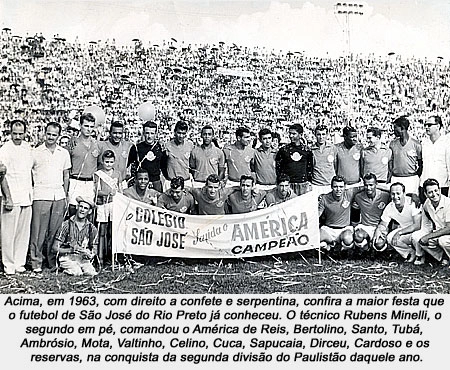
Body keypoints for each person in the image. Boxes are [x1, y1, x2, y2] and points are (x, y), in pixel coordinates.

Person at [30, 122, 71, 273]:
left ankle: (52, 261)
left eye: (54, 135)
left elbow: (66, 175)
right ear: (44, 133)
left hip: (58, 195)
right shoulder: (36, 152)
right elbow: (29, 174)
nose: (51, 137)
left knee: (55, 232)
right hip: (41, 194)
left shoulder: (63, 153)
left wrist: (65, 195)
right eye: (49, 134)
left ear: (59, 136)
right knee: (39, 231)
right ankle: (36, 261)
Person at [0, 120, 33, 275]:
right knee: (8, 232)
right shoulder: (5, 149)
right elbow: (2, 176)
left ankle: (20, 262)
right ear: (10, 132)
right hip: (11, 196)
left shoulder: (28, 148)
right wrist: (8, 197)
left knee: (23, 232)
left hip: (26, 196)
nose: (18, 136)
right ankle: (8, 263)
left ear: (25, 133)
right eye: (15, 133)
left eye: (21, 133)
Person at [372, 182, 422, 263]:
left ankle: (420, 255)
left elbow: (417, 225)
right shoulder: (390, 206)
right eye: (393, 194)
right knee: (390, 238)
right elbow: (383, 223)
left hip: (419, 230)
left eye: (398, 193)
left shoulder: (412, 203)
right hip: (405, 230)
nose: (395, 197)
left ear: (404, 193)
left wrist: (399, 233)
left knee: (416, 237)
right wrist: (378, 229)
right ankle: (410, 252)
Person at [52, 196, 98, 276]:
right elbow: (55, 248)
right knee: (77, 272)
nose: (82, 210)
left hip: (82, 259)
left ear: (89, 211)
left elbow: (94, 249)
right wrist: (70, 250)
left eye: (85, 208)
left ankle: (77, 268)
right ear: (77, 207)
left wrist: (90, 254)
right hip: (67, 257)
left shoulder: (92, 228)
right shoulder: (66, 225)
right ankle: (64, 269)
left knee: (91, 272)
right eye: (81, 206)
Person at [67, 112, 100, 215]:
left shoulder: (97, 144)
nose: (88, 129)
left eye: (91, 126)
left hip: (89, 183)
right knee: (73, 211)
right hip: (75, 181)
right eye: (86, 126)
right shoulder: (72, 143)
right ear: (80, 126)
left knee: (88, 214)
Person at [412, 178, 450, 266]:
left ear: (440, 190)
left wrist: (428, 236)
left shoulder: (448, 203)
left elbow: (448, 229)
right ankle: (442, 257)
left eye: (436, 190)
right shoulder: (427, 203)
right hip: (439, 233)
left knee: (443, 240)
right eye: (430, 192)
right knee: (418, 237)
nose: (434, 194)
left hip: (447, 234)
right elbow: (426, 220)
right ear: (425, 194)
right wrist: (425, 235)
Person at [94, 150, 123, 264]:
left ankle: (112, 256)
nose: (109, 164)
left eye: (111, 162)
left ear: (114, 162)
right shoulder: (98, 174)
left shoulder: (117, 174)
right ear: (102, 161)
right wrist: (107, 193)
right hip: (103, 204)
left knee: (113, 231)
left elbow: (120, 189)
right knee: (102, 231)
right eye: (106, 162)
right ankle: (100, 256)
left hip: (114, 204)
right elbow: (97, 191)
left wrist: (118, 195)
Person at [352, 173, 391, 253]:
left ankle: (380, 250)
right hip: (365, 226)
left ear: (376, 184)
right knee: (358, 236)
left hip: (380, 226)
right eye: (366, 185)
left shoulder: (385, 195)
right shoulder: (358, 197)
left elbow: (396, 191)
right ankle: (366, 249)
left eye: (371, 185)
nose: (368, 188)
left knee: (379, 244)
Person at [318, 176, 355, 252]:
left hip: (344, 228)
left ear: (345, 187)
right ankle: (331, 245)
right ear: (331, 187)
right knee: (316, 239)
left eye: (341, 187)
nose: (338, 189)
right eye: (335, 187)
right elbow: (318, 214)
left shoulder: (349, 193)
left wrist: (386, 188)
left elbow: (367, 186)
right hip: (329, 229)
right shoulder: (325, 198)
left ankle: (342, 250)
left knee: (348, 239)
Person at [275, 123, 313, 196]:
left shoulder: (307, 150)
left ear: (300, 135)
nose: (291, 136)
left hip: (303, 184)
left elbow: (310, 167)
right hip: (288, 184)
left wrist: (309, 181)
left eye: (294, 134)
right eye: (290, 133)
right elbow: (279, 167)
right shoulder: (283, 150)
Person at [419, 116, 450, 202]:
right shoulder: (424, 143)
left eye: (429, 125)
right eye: (425, 125)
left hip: (441, 186)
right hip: (425, 186)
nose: (426, 127)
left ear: (438, 126)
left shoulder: (446, 143)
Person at [388, 116, 422, 195]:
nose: (393, 131)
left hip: (411, 179)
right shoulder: (392, 144)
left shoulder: (416, 144)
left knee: (412, 203)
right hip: (396, 178)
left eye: (395, 128)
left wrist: (415, 176)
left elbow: (421, 164)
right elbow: (390, 161)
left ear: (402, 128)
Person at [127, 121, 164, 192]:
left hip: (155, 182)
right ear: (143, 133)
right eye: (147, 133)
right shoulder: (136, 148)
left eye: (152, 133)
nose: (149, 136)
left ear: (156, 134)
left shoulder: (160, 148)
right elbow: (128, 164)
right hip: (141, 181)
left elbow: (163, 166)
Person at [161, 120, 194, 190]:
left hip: (186, 182)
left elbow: (192, 164)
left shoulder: (190, 145)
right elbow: (162, 164)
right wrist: (167, 176)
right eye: (179, 133)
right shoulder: (167, 146)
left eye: (183, 133)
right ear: (175, 132)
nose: (181, 136)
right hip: (171, 182)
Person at [98, 121, 132, 188]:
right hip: (105, 182)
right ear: (110, 133)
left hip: (122, 183)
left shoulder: (127, 145)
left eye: (120, 133)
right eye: (115, 133)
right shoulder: (101, 145)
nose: (117, 136)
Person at [311, 124, 336, 195]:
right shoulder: (311, 150)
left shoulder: (332, 148)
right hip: (316, 184)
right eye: (319, 134)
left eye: (323, 134)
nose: (321, 137)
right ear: (315, 135)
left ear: (327, 135)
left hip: (329, 184)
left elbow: (336, 165)